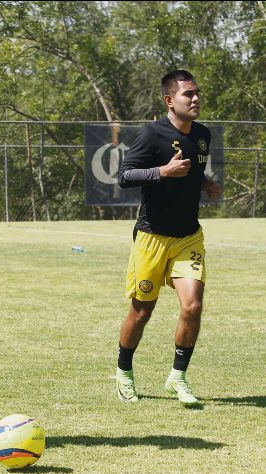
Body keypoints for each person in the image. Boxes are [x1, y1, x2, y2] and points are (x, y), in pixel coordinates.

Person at [115, 69, 221, 407]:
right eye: (188, 94)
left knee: (192, 305)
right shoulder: (151, 135)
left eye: (197, 93)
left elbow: (198, 170)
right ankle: (124, 373)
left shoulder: (202, 135)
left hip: (188, 236)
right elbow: (124, 176)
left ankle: (178, 376)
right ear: (169, 100)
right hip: (151, 237)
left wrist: (207, 184)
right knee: (141, 312)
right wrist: (162, 171)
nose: (195, 99)